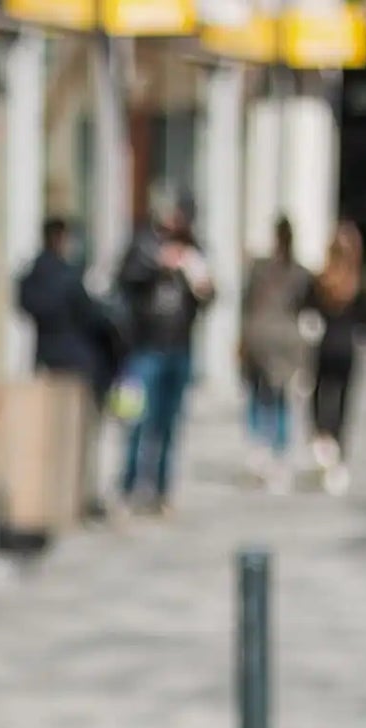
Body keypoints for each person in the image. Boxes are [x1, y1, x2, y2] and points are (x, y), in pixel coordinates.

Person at [116, 184, 214, 514]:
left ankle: (160, 490)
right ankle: (129, 487)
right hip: (146, 348)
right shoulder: (143, 244)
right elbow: (125, 281)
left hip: (179, 349)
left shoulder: (194, 249)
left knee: (169, 424)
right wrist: (159, 265)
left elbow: (208, 295)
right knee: (137, 421)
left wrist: (199, 281)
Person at [238, 217, 313, 492]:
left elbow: (247, 305)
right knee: (278, 397)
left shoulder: (262, 269)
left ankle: (260, 452)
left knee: (261, 396)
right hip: (281, 341)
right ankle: (276, 456)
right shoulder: (297, 273)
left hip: (262, 337)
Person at [17, 216, 121, 407]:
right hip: (75, 356)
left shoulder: (33, 275)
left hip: (45, 352)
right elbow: (89, 314)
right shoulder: (67, 277)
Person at [308, 221, 366, 495]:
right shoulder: (357, 280)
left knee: (320, 394)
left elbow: (307, 308)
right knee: (343, 399)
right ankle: (337, 452)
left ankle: (323, 437)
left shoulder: (322, 279)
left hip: (325, 344)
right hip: (347, 347)